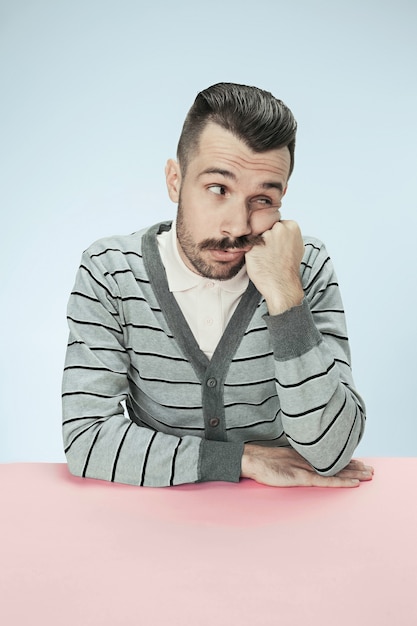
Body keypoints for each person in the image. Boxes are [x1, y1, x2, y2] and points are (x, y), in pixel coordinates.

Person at [62, 82, 373, 488]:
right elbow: (87, 440)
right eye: (218, 189)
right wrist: (237, 460)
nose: (238, 226)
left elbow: (331, 451)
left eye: (263, 198)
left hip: (286, 520)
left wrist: (285, 296)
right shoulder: (111, 272)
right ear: (175, 180)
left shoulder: (305, 265)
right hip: (155, 521)